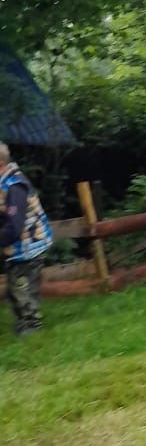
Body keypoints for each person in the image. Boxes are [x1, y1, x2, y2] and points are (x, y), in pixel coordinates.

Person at [1, 142, 53, 335]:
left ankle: (31, 326)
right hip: (18, 249)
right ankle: (24, 322)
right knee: (14, 289)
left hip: (29, 246)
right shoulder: (4, 183)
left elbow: (14, 225)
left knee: (21, 288)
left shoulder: (15, 186)